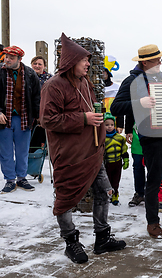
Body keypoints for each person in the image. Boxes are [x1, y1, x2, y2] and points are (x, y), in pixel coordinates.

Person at [40, 33, 125, 264]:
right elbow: (48, 119)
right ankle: (71, 242)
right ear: (70, 62)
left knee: (104, 192)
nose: (88, 64)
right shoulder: (53, 86)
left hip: (92, 151)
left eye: (88, 60)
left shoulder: (85, 83)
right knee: (66, 200)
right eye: (84, 60)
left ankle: (102, 238)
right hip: (69, 155)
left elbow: (89, 111)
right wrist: (83, 119)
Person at [110, 44, 162, 238]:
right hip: (151, 136)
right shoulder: (132, 80)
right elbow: (116, 108)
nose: (161, 63)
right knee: (153, 179)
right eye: (157, 60)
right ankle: (152, 221)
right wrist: (139, 104)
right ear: (145, 62)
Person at [0, 46, 41, 194]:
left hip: (24, 118)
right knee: (5, 151)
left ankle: (22, 178)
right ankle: (10, 180)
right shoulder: (0, 72)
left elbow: (37, 96)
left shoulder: (30, 74)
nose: (7, 60)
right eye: (6, 57)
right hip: (4, 118)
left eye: (11, 58)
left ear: (19, 59)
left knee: (23, 151)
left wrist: (38, 116)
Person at [103, 112, 130, 206]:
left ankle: (115, 196)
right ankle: (106, 196)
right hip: (107, 163)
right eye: (106, 125)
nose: (109, 127)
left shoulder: (119, 138)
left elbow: (123, 150)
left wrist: (126, 159)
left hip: (117, 163)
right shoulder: (102, 139)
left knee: (116, 181)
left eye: (111, 125)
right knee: (107, 181)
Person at [103, 68, 124, 133]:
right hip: (100, 123)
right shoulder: (95, 88)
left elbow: (120, 108)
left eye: (104, 71)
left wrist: (120, 125)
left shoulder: (116, 88)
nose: (102, 73)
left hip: (113, 124)